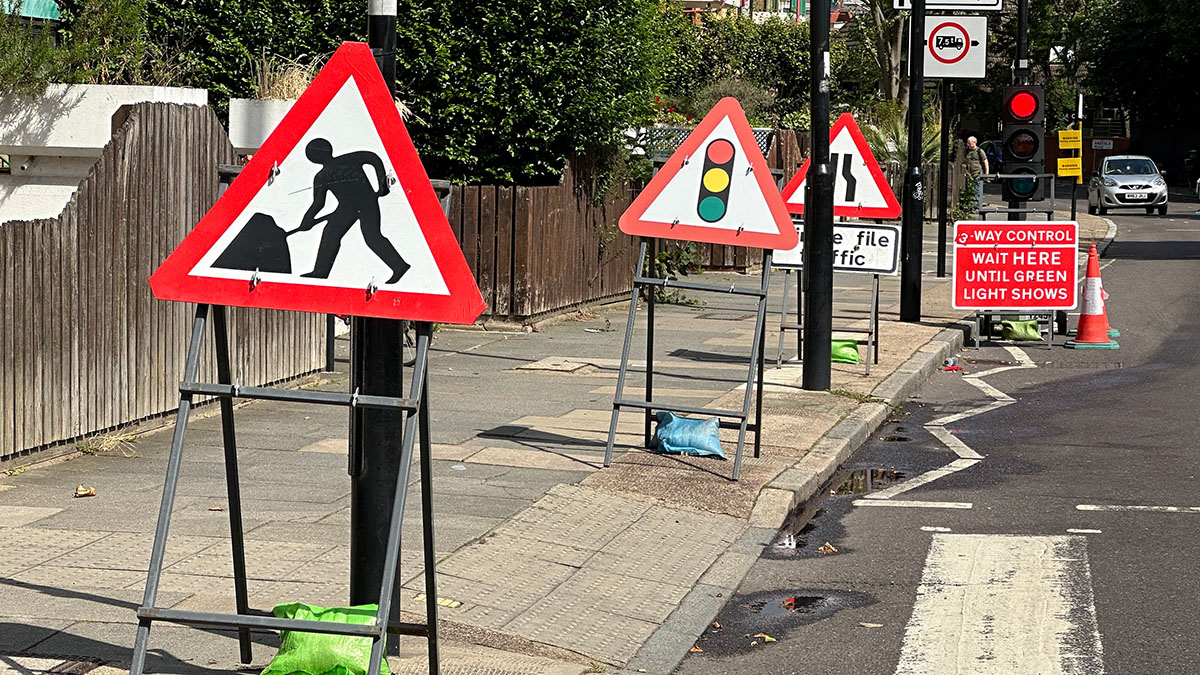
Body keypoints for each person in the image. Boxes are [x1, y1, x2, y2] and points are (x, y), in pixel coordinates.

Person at [291, 138, 410, 284]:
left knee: (372, 236)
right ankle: (321, 271)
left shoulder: (347, 160)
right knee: (330, 233)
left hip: (367, 202)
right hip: (346, 207)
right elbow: (318, 203)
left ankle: (399, 266)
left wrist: (382, 183)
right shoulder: (321, 177)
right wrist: (307, 220)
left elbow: (372, 157)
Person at [964, 135, 989, 208]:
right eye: (968, 143)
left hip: (977, 173)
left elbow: (985, 162)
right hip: (969, 174)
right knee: (972, 191)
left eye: (969, 143)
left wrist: (986, 174)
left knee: (977, 191)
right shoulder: (968, 151)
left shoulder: (979, 151)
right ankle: (972, 206)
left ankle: (977, 207)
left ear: (974, 142)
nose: (968, 144)